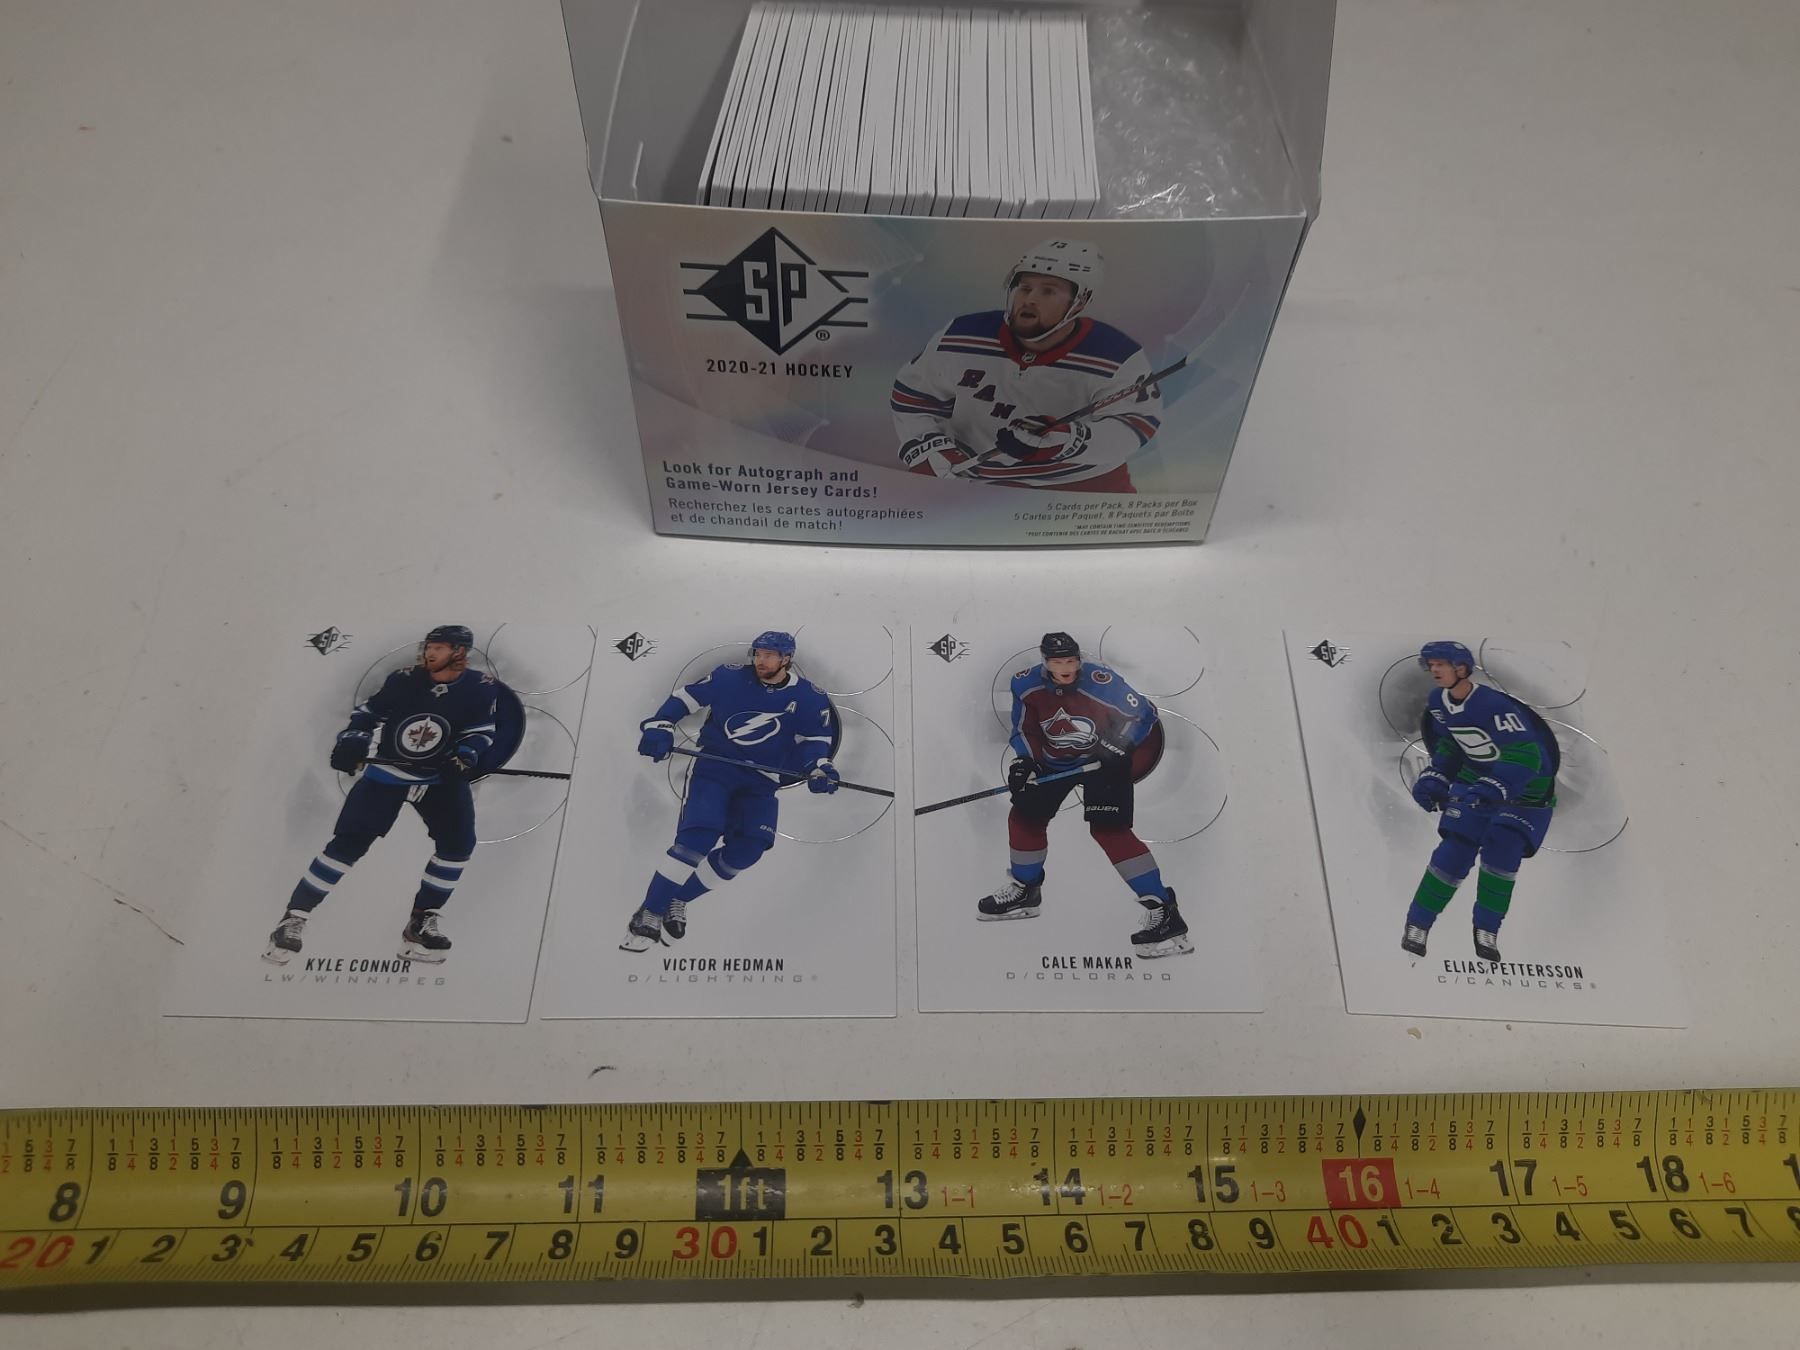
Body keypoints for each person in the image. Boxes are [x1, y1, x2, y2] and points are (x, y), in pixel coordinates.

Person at [265, 625, 501, 965]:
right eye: (428, 646)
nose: (429, 653)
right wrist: (353, 742)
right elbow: (368, 714)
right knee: (348, 845)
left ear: (459, 652)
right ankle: (293, 918)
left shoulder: (482, 687)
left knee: (458, 845)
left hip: (439, 779)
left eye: (438, 647)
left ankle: (421, 922)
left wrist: (465, 755)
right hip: (388, 775)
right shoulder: (404, 680)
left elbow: (480, 730)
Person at [623, 631, 839, 950]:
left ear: (787, 659)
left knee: (748, 849)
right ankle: (649, 912)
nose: (760, 660)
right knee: (697, 838)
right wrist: (661, 725)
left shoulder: (810, 697)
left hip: (762, 780)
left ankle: (676, 898)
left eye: (769, 656)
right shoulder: (729, 677)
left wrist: (819, 767)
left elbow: (814, 741)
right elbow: (685, 698)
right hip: (715, 767)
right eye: (758, 654)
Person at [891, 240, 1162, 492]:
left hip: (1083, 484)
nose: (1030, 299)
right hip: (974, 480)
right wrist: (929, 447)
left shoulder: (1117, 354)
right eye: (1025, 287)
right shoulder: (961, 334)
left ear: (1079, 301)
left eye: (1048, 291)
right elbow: (915, 397)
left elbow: (1134, 425)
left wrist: (1068, 441)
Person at [979, 633, 1189, 957]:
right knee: (1024, 818)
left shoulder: (1101, 681)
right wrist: (1026, 762)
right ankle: (1025, 890)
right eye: (1058, 662)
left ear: (1079, 659)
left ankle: (1164, 911)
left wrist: (1122, 742)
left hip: (1104, 762)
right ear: (1045, 663)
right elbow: (1024, 728)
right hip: (1053, 762)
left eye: (1071, 660)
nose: (1067, 668)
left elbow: (1145, 713)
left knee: (1110, 832)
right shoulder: (1025, 683)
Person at [1403, 641, 1560, 963]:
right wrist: (1436, 777)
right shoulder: (1438, 702)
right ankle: (1417, 924)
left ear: (1461, 668)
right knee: (1454, 851)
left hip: (1529, 790)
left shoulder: (1492, 705)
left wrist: (1496, 786)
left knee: (1503, 853)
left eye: (1441, 664)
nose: (1434, 670)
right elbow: (1451, 745)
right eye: (1431, 664)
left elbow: (1527, 756)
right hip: (1477, 780)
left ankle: (1486, 931)